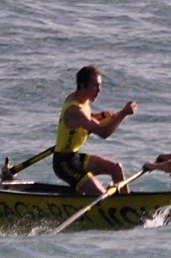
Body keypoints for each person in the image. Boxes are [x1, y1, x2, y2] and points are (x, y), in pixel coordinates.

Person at [54, 64, 138, 195]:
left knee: (117, 168)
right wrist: (123, 113)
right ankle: (109, 205)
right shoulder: (75, 110)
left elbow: (87, 118)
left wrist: (100, 115)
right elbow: (103, 133)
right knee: (102, 195)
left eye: (100, 85)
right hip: (64, 164)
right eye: (95, 86)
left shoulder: (81, 98)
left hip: (75, 157)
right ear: (83, 86)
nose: (99, 90)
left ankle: (128, 205)